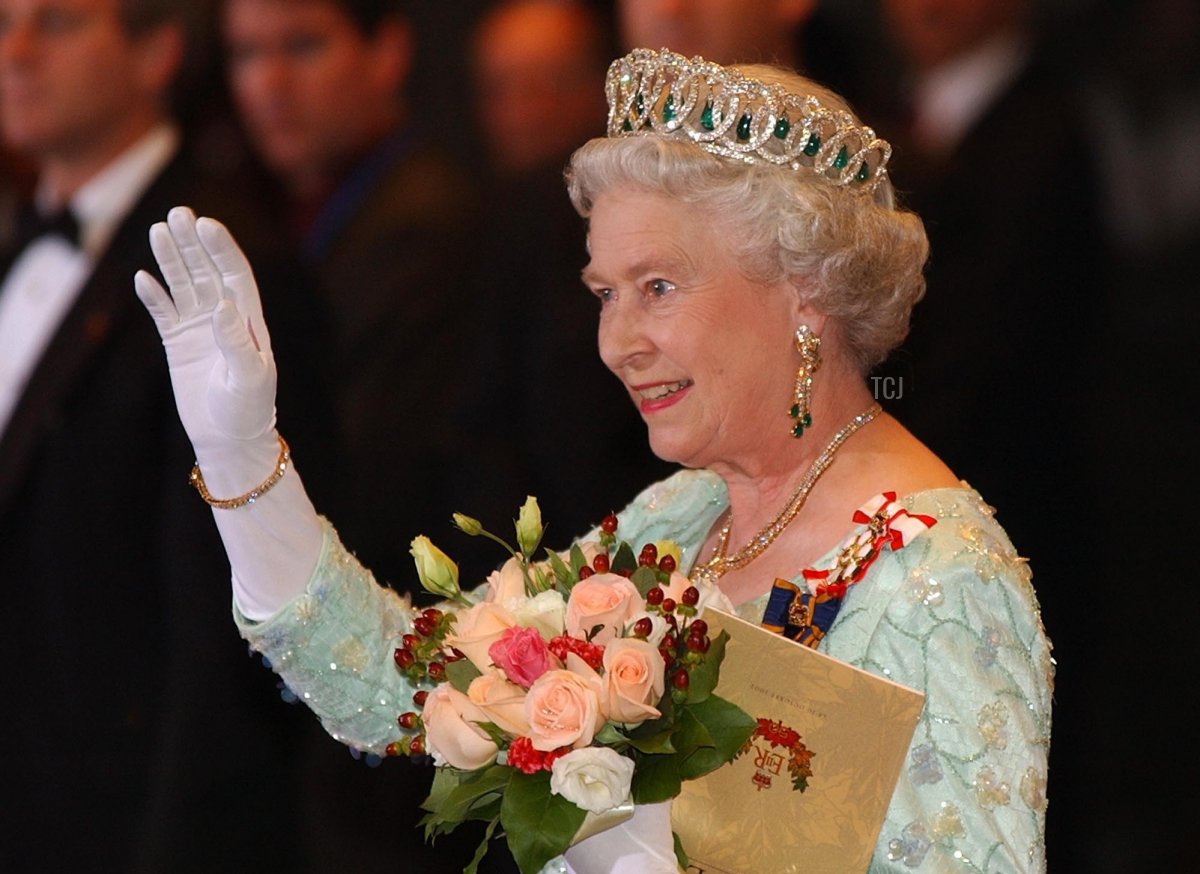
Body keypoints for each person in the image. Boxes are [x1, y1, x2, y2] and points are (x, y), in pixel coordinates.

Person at [136, 48, 1053, 872]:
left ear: (804, 288)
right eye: (604, 294)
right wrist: (243, 459)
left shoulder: (941, 580)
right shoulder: (681, 519)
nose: (617, 343)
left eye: (658, 287)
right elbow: (402, 690)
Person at [0, 0, 330, 868]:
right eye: (4, 23)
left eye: (58, 23)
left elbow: (230, 620)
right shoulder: (16, 244)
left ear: (156, 52)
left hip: (119, 817)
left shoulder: (225, 262)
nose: (18, 51)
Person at [221, 0, 477, 588]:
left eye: (304, 46)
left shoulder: (424, 224)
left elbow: (364, 470)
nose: (270, 82)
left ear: (387, 53)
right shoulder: (275, 209)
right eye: (246, 53)